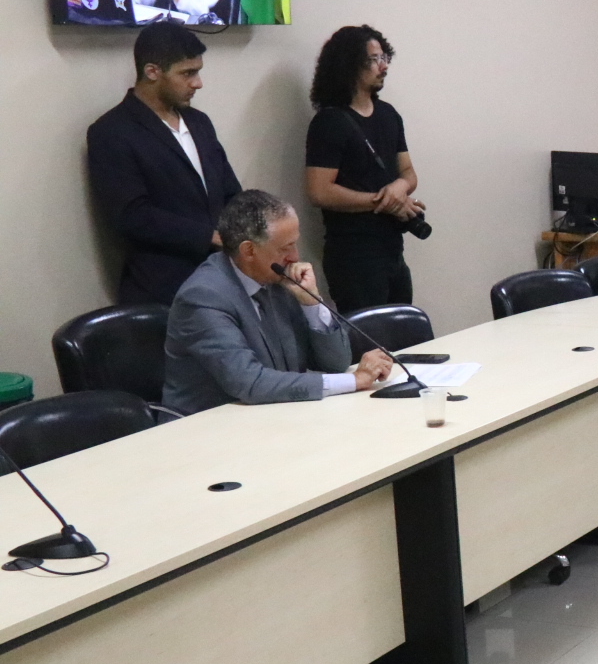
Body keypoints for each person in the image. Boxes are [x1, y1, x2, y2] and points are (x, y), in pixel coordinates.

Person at [163, 191, 393, 415]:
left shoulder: (278, 280)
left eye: (294, 244)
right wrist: (354, 380)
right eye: (285, 248)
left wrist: (311, 303)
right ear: (249, 250)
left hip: (274, 415)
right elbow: (250, 383)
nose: (295, 256)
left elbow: (336, 363)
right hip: (206, 427)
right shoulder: (203, 297)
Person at [86, 22, 244, 305]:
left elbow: (230, 191)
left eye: (197, 72)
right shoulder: (111, 131)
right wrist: (209, 236)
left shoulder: (199, 122)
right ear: (152, 72)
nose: (198, 83)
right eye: (187, 73)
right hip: (164, 290)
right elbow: (131, 215)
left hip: (222, 280)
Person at [304, 26, 424, 313]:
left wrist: (399, 188)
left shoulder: (388, 115)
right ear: (349, 65)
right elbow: (319, 191)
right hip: (353, 256)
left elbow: (408, 172)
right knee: (368, 336)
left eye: (384, 57)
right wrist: (384, 201)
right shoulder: (328, 122)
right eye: (373, 60)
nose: (383, 67)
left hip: (392, 250)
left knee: (403, 331)